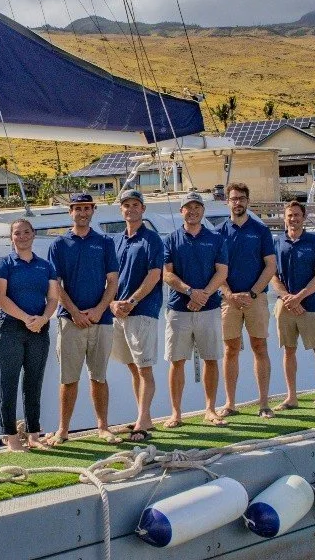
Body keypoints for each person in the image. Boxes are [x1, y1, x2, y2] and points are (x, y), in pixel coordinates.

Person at [47, 191, 120, 444]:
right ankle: (63, 430)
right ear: (71, 212)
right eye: (77, 208)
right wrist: (75, 312)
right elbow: (55, 284)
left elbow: (112, 281)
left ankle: (103, 427)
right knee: (68, 379)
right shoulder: (58, 245)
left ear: (93, 211)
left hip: (101, 320)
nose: (82, 213)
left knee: (99, 377)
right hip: (70, 320)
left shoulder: (105, 242)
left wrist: (100, 309)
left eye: (87, 208)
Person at [0, 218, 61, 451]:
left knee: (34, 382)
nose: (22, 236)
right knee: (8, 382)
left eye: (26, 232)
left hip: (39, 330)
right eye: (17, 233)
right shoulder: (4, 264)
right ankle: (10, 435)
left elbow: (53, 298)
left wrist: (43, 318)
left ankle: (33, 434)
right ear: (11, 238)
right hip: (10, 329)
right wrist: (25, 318)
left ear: (33, 235)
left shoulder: (45, 266)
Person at [161, 191, 230, 427]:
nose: (193, 211)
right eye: (188, 207)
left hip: (209, 308)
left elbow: (222, 272)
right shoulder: (170, 239)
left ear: (203, 210)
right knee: (177, 361)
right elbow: (167, 274)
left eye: (197, 207)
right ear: (182, 211)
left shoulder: (215, 238)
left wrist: (203, 296)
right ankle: (176, 413)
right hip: (179, 310)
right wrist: (191, 292)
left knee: (211, 359)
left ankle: (210, 409)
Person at [109, 189, 164, 440]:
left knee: (144, 368)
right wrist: (112, 303)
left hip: (142, 311)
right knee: (132, 367)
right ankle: (144, 417)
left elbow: (154, 275)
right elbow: (110, 278)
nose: (130, 209)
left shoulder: (151, 239)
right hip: (119, 313)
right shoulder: (117, 241)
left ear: (143, 209)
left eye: (135, 205)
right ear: (121, 210)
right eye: (126, 205)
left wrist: (131, 301)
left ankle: (142, 420)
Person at [219, 182, 277, 418]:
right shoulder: (219, 232)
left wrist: (252, 293)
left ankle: (264, 404)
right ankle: (230, 404)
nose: (238, 202)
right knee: (230, 350)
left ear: (247, 201)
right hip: (228, 301)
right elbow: (217, 269)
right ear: (228, 202)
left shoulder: (260, 231)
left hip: (257, 299)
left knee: (259, 347)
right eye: (234, 199)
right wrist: (229, 294)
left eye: (242, 198)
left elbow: (270, 265)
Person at [270, 199, 315, 412]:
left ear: (303, 217)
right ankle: (291, 397)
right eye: (289, 215)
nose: (293, 219)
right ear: (284, 218)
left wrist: (300, 297)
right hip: (285, 305)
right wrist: (288, 297)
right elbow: (273, 276)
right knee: (288, 350)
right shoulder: (277, 243)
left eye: (297, 215)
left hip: (311, 305)